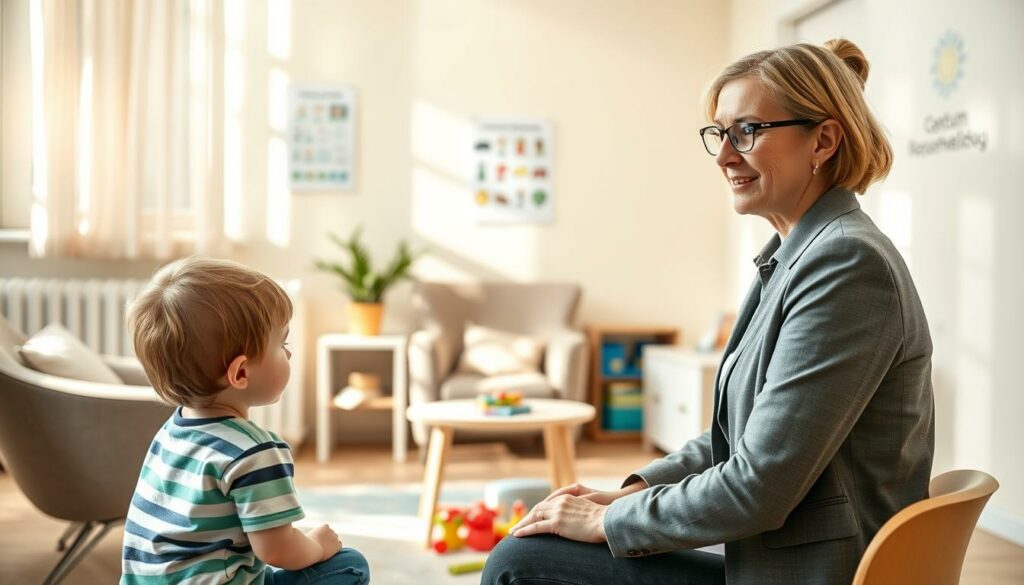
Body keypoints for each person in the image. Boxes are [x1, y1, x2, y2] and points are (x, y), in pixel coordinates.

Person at [482, 38, 934, 585]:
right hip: (772, 564)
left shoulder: (845, 263)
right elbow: (736, 439)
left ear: (823, 140)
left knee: (520, 564)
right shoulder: (796, 255)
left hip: (812, 574)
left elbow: (757, 486)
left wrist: (606, 521)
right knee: (534, 550)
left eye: (747, 131)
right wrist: (631, 493)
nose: (724, 156)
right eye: (719, 133)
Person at [120, 257, 369, 585]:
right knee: (350, 565)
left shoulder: (172, 432)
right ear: (240, 373)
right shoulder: (255, 451)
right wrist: (318, 545)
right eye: (282, 343)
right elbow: (278, 551)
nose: (289, 354)